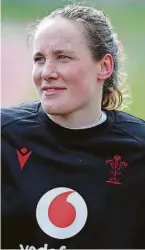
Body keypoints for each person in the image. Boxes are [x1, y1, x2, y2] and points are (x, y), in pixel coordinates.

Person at [1, 3, 145, 249]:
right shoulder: (6, 136)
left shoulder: (138, 149)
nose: (46, 72)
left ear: (104, 67)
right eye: (39, 59)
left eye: (63, 57)